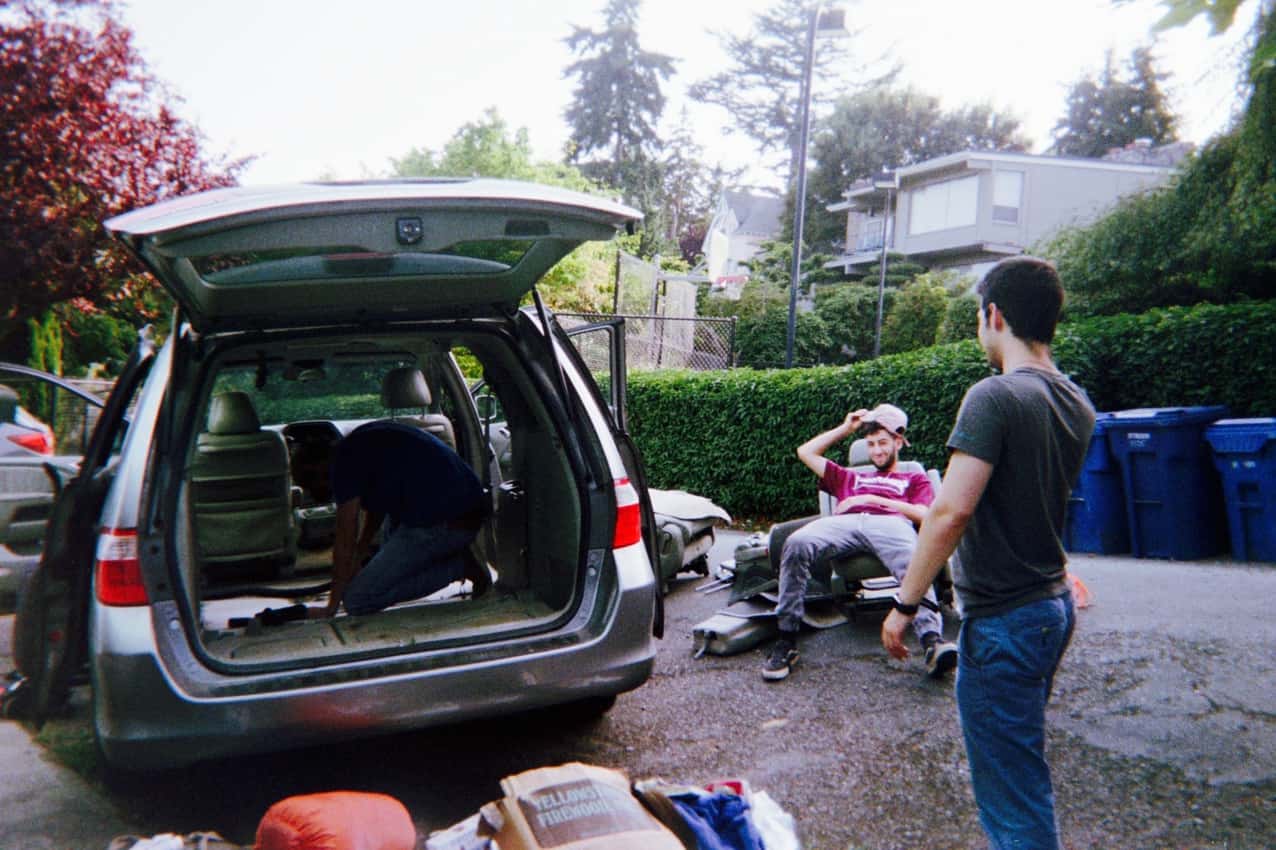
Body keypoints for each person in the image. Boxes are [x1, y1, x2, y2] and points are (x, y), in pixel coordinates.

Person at [881, 256, 1095, 850]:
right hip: (1051, 608)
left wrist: (905, 603)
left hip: (1005, 618)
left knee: (1012, 793)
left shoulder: (994, 396)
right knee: (1021, 766)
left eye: (980, 318)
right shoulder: (1076, 403)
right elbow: (1036, 499)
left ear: (993, 315)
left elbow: (951, 510)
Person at [763, 403, 958, 681]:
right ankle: (786, 638)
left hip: (892, 524)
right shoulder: (848, 476)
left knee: (914, 554)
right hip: (844, 523)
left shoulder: (913, 477)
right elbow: (804, 452)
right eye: (870, 444)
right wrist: (846, 428)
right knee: (797, 541)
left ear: (898, 442)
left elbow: (925, 515)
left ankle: (931, 641)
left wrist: (871, 499)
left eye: (883, 443)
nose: (877, 450)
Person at [296, 419, 489, 617]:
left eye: (311, 485)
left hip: (448, 523)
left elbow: (345, 539)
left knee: (356, 600)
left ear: (320, 469)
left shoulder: (343, 466)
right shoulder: (358, 443)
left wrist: (331, 606)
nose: (313, 491)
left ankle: (461, 567)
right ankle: (446, 558)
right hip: (459, 510)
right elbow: (377, 507)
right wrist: (360, 553)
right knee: (387, 541)